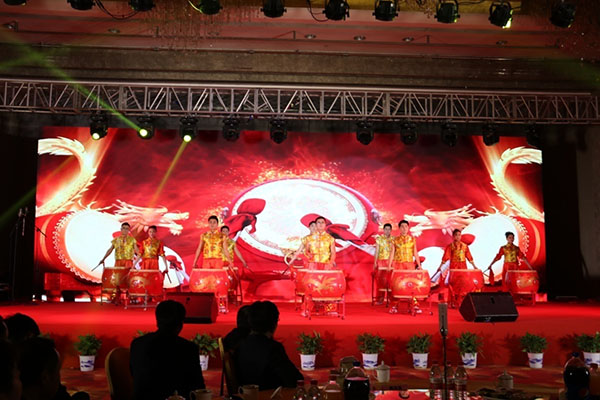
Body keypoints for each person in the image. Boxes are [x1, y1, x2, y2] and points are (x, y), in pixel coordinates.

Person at [130, 300, 205, 400]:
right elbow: (198, 388)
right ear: (180, 324)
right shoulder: (188, 348)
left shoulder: (137, 344)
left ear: (157, 321)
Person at [234, 301, 303, 390]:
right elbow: (294, 379)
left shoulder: (240, 345)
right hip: (268, 394)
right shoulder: (273, 348)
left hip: (246, 394)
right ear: (274, 324)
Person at [387, 220, 422, 314]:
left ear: (408, 228)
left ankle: (414, 305)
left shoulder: (412, 239)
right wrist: (389, 265)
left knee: (411, 285)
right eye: (402, 226)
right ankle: (394, 305)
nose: (404, 228)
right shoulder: (395, 240)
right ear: (399, 228)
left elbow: (415, 253)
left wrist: (419, 265)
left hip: (409, 265)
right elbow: (392, 253)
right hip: (398, 265)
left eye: (406, 226)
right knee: (397, 285)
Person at [435, 229, 478, 303]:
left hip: (463, 266)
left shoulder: (465, 246)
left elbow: (469, 257)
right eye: (456, 235)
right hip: (454, 266)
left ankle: (462, 300)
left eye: (459, 235)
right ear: (453, 236)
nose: (458, 237)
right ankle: (453, 300)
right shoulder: (450, 246)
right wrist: (440, 267)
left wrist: (474, 266)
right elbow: (445, 257)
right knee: (453, 283)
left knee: (463, 282)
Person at [372, 223, 393, 305]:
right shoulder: (379, 239)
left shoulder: (393, 239)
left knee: (391, 280)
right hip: (381, 261)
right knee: (381, 281)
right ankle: (380, 299)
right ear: (383, 230)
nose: (387, 231)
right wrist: (375, 262)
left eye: (389, 229)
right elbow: (377, 252)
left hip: (391, 261)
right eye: (386, 229)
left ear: (391, 230)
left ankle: (391, 298)